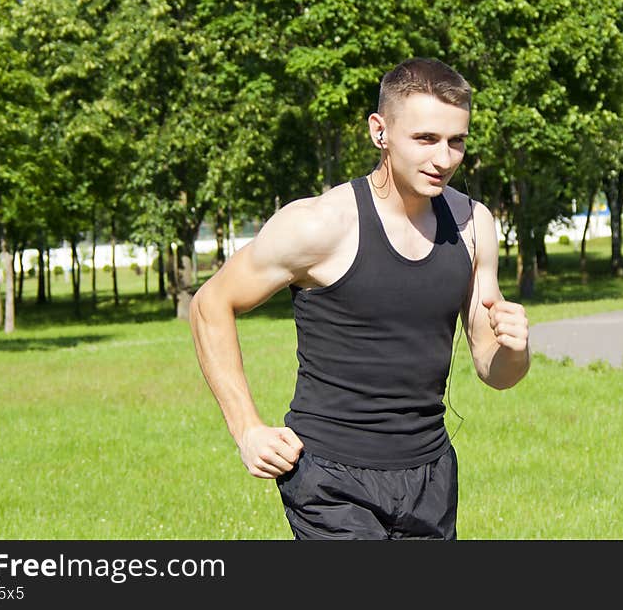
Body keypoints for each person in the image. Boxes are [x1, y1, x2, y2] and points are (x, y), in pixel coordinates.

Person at [189, 57, 530, 540]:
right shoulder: (319, 224)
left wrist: (515, 349)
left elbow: (493, 370)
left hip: (430, 475)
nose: (444, 159)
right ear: (380, 131)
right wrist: (246, 428)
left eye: (457, 141)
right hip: (329, 476)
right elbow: (210, 305)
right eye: (426, 139)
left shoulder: (474, 225)